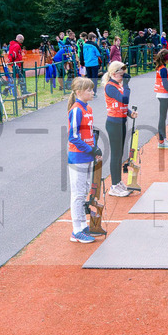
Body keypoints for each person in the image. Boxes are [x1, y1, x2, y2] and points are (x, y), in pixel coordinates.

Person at [66, 76, 101, 243]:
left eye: (92, 89)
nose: (92, 92)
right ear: (79, 92)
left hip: (87, 156)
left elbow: (88, 133)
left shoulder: (88, 109)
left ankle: (82, 225)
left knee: (85, 190)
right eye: (89, 90)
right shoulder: (76, 110)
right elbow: (73, 137)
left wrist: (95, 149)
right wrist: (90, 149)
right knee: (78, 194)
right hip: (78, 157)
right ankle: (76, 230)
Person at [101, 61, 136, 198]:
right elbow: (124, 99)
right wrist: (127, 85)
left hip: (121, 120)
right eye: (121, 71)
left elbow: (121, 103)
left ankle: (118, 181)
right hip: (114, 122)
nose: (124, 73)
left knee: (120, 153)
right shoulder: (111, 86)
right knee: (116, 154)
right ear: (114, 73)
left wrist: (129, 113)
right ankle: (114, 185)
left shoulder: (117, 85)